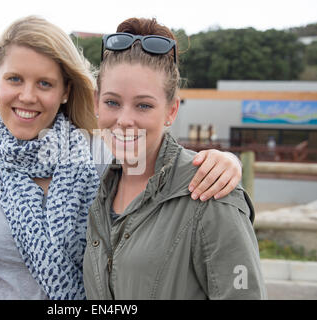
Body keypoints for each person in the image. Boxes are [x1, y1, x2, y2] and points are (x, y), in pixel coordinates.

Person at [0, 16, 243, 300]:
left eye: (44, 83)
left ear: (65, 91)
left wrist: (226, 161)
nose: (27, 96)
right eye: (14, 79)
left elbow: (164, 164)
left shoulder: (104, 157)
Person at [83, 17, 267, 299]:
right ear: (96, 102)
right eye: (112, 102)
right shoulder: (95, 186)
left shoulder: (211, 192)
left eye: (144, 105)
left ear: (171, 111)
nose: (124, 120)